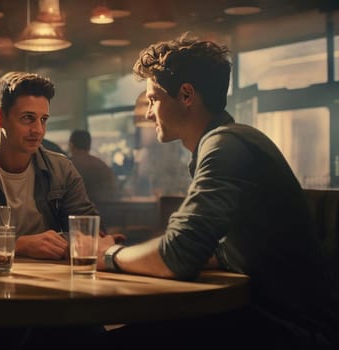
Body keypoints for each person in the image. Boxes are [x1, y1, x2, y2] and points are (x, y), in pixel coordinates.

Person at [94, 34, 337, 349]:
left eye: (153, 99)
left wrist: (108, 256)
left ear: (186, 95)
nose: (148, 113)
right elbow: (214, 251)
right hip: (263, 315)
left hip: (290, 330)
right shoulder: (226, 142)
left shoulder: (225, 145)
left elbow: (178, 256)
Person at [0, 71, 122, 260]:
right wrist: (19, 244)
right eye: (27, 118)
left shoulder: (61, 169)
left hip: (52, 281)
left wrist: (60, 242)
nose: (38, 130)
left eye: (43, 119)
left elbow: (91, 232)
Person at [68, 129, 116, 204]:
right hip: (106, 210)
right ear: (89, 145)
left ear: (71, 145)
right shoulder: (102, 165)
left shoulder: (67, 165)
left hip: (77, 212)